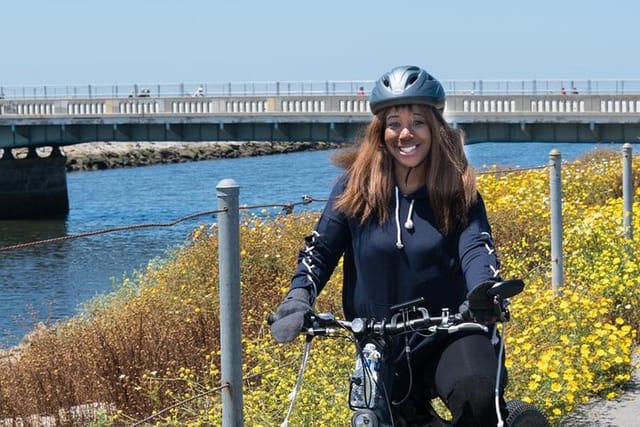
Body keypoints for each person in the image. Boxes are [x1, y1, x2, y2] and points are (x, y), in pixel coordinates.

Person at [270, 65, 506, 426]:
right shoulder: (354, 188)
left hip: (451, 333)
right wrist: (299, 296)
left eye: (418, 122)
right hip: (380, 343)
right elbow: (319, 252)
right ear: (380, 132)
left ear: (435, 128)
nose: (405, 133)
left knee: (478, 398)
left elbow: (476, 248)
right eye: (394, 123)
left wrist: (483, 291)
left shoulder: (457, 189)